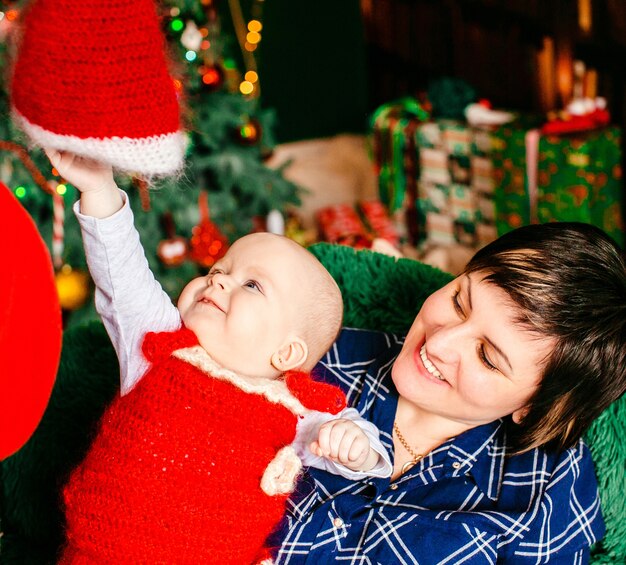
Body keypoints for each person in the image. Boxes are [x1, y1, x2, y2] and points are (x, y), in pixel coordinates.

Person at [45, 149, 392, 565]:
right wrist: (99, 189)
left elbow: (360, 451)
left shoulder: (294, 414)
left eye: (251, 285)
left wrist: (359, 447)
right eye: (217, 270)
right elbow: (121, 272)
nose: (221, 280)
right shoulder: (162, 343)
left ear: (287, 353)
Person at [267, 221, 626, 563]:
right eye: (459, 301)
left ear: (537, 407)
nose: (439, 342)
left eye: (487, 357)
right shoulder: (315, 357)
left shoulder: (547, 491)